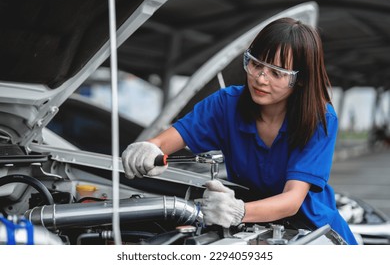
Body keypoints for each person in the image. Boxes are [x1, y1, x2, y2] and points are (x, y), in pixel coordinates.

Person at [121, 17, 358, 245]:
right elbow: (165, 141)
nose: (260, 79)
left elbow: (292, 201)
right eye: (255, 64)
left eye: (276, 73)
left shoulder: (320, 119)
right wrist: (149, 148)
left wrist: (238, 211)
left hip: (315, 236)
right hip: (252, 229)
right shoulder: (225, 104)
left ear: (301, 79)